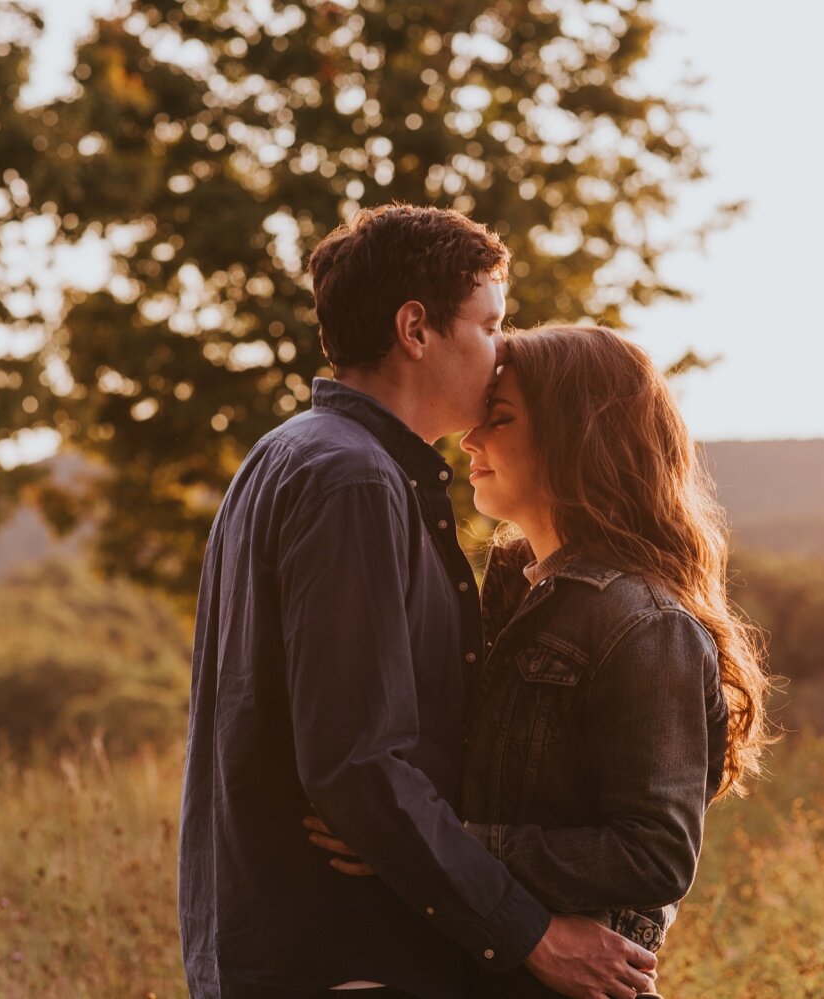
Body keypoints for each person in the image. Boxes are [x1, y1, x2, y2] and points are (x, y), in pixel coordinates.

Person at [178, 206, 658, 999]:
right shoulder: (354, 479)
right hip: (345, 956)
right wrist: (533, 934)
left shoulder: (290, 455)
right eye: (491, 323)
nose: (504, 350)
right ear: (416, 328)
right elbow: (359, 761)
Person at [309, 324, 772, 998]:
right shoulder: (510, 590)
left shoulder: (647, 625)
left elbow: (654, 854)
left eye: (498, 419)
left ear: (578, 434)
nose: (469, 439)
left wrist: (433, 846)